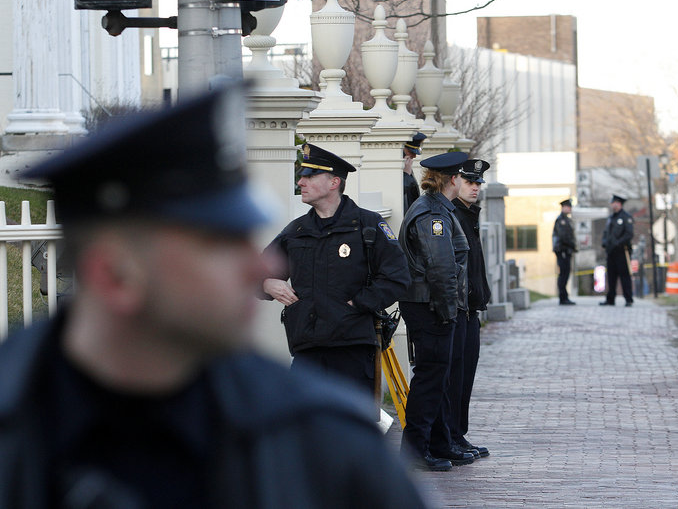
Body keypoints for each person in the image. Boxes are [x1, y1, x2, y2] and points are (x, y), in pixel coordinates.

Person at [0, 86, 428, 509]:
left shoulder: (325, 443)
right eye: (220, 245)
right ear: (113, 275)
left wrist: (355, 306)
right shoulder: (17, 432)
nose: (260, 269)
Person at [262, 143, 410, 398]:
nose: (301, 182)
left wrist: (356, 304)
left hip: (352, 349)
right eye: (301, 176)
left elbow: (398, 278)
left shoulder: (368, 225)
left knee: (351, 430)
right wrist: (267, 284)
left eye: (309, 176)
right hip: (307, 350)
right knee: (305, 430)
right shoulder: (296, 230)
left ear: (334, 182)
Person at [398, 150, 475, 472]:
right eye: (462, 176)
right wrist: (447, 314)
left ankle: (440, 443)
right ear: (453, 179)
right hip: (430, 307)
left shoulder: (437, 208)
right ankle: (415, 449)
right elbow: (441, 269)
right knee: (430, 379)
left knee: (439, 379)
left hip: (432, 305)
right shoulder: (433, 215)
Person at [450, 159, 492, 459]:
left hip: (471, 309)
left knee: (465, 378)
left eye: (478, 183)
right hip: (456, 310)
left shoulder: (470, 214)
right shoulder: (452, 215)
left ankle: (458, 434)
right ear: (455, 181)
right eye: (469, 182)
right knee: (453, 378)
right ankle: (449, 436)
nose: (475, 187)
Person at [599, 194, 634, 307]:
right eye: (612, 203)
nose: (613, 205)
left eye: (614, 203)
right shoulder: (611, 218)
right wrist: (604, 242)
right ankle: (610, 299)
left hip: (622, 251)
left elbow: (629, 234)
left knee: (624, 276)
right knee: (611, 277)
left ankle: (628, 299)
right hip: (611, 251)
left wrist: (618, 243)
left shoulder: (625, 217)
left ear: (619, 204)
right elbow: (605, 233)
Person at [552, 198, 577, 306]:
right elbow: (563, 237)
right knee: (563, 274)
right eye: (568, 206)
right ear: (564, 207)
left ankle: (564, 297)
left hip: (567, 250)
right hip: (562, 250)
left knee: (566, 274)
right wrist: (572, 245)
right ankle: (563, 297)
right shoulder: (561, 220)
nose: (570, 209)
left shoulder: (567, 219)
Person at [403, 132, 427, 213]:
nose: (414, 156)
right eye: (411, 152)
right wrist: (406, 175)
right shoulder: (405, 168)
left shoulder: (407, 165)